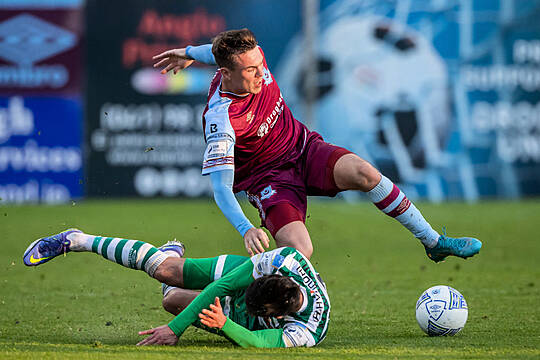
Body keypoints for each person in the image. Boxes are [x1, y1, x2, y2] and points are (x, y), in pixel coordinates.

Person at [152, 28, 482, 262]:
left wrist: (187, 53)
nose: (260, 74)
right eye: (251, 71)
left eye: (259, 65)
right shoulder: (221, 119)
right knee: (300, 250)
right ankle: (244, 303)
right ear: (226, 74)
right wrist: (246, 229)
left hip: (303, 148)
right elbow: (221, 189)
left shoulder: (247, 58)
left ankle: (433, 241)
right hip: (268, 180)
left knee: (365, 173)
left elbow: (215, 51)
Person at [22, 229, 330, 348]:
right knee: (166, 272)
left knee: (172, 301)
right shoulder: (285, 260)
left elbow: (258, 343)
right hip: (243, 274)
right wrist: (175, 330)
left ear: (274, 314)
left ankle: (170, 251)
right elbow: (222, 286)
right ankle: (77, 240)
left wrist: (225, 323)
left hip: (248, 317)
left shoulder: (308, 331)